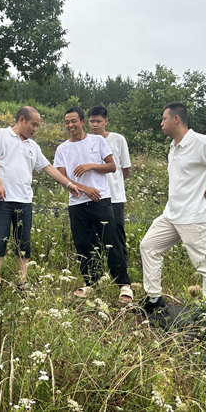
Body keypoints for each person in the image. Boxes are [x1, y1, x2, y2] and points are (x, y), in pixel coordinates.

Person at [139, 102, 206, 313]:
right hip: (171, 214)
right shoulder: (173, 146)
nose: (161, 123)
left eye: (164, 119)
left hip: (195, 216)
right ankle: (154, 299)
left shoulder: (200, 142)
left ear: (176, 119)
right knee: (149, 246)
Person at [0, 106, 80, 300]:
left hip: (24, 201)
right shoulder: (1, 135)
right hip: (2, 199)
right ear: (22, 120)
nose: (36, 129)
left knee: (24, 242)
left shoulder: (32, 146)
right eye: (34, 125)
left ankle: (22, 282)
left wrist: (68, 184)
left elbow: (48, 168)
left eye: (37, 126)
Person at [54, 107, 132, 301]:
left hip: (100, 199)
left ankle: (124, 284)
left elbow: (112, 166)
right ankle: (91, 283)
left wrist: (90, 165)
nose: (70, 125)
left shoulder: (97, 141)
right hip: (77, 202)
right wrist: (83, 188)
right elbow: (61, 176)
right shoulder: (62, 148)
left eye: (74, 121)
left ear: (82, 121)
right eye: (67, 122)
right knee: (83, 244)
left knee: (111, 242)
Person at [87, 106, 133, 300]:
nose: (95, 125)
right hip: (93, 197)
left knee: (116, 238)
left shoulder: (117, 139)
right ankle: (95, 278)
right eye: (91, 121)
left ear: (106, 121)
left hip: (114, 197)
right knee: (94, 238)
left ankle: (123, 280)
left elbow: (125, 168)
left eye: (98, 121)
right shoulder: (86, 142)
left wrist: (115, 186)